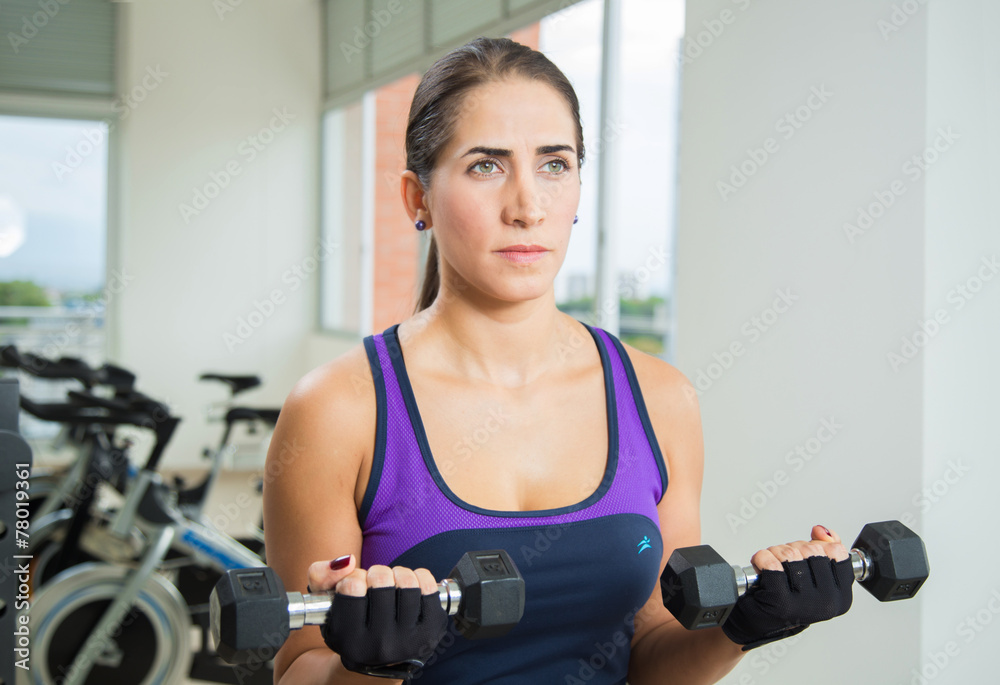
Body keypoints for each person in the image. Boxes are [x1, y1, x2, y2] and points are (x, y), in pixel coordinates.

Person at [265, 36, 853, 684]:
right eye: (485, 166)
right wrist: (370, 666)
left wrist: (745, 627)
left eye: (554, 164)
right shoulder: (338, 410)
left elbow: (653, 651)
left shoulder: (661, 399)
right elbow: (298, 666)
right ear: (417, 199)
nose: (527, 207)